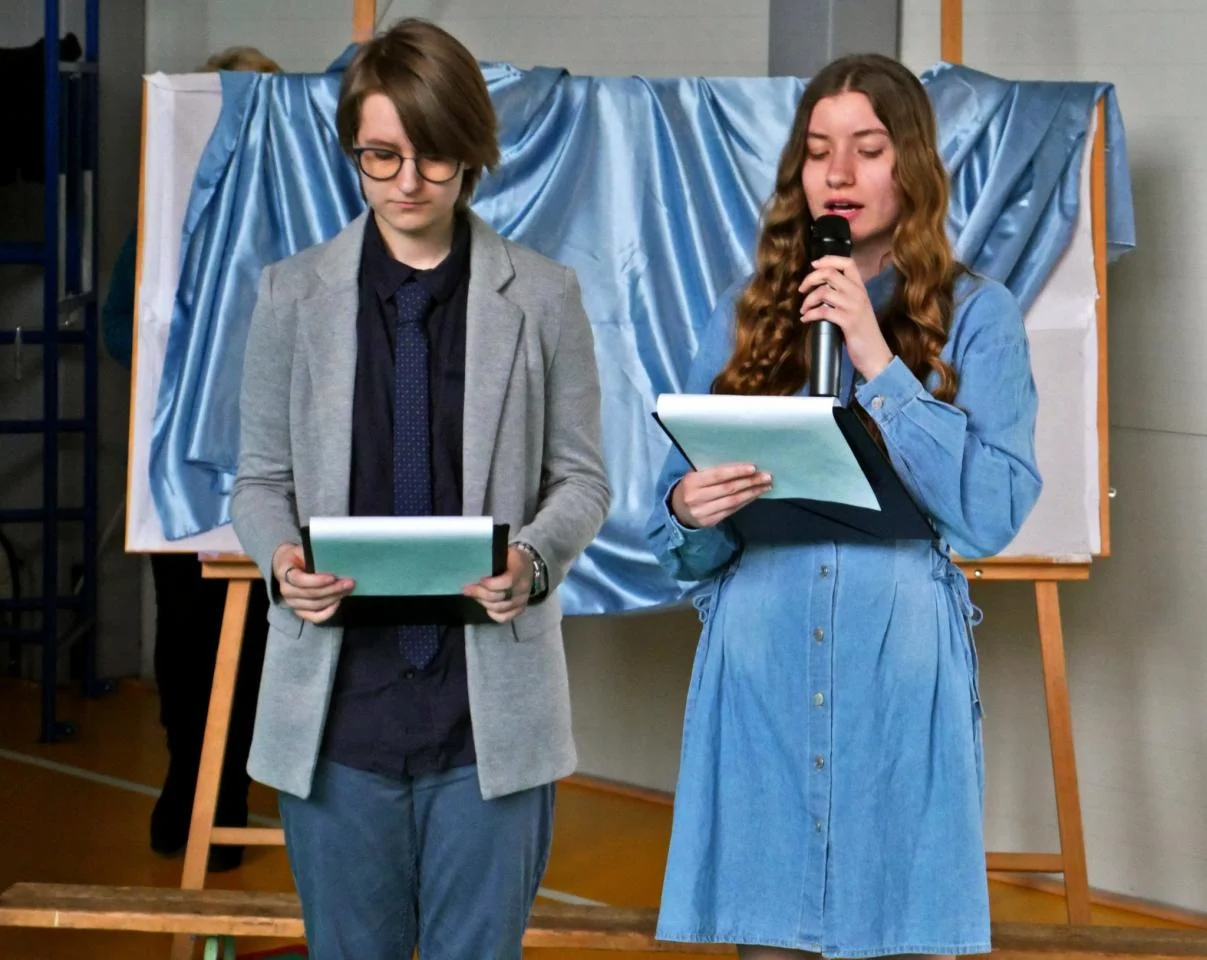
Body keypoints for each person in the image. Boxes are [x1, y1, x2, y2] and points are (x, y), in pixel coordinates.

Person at [646, 54, 1042, 959]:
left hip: (893, 672)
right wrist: (689, 507)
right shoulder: (746, 311)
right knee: (767, 937)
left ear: (911, 163)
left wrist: (877, 362)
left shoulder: (979, 315)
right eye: (819, 150)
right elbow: (675, 543)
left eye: (867, 148)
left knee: (899, 929)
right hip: (761, 665)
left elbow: (989, 512)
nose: (839, 172)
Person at [230, 18, 610, 959]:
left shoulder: (544, 297)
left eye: (433, 155)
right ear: (353, 153)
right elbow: (259, 481)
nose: (407, 182)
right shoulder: (288, 297)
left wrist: (532, 561)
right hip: (336, 719)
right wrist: (280, 560)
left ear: (472, 154)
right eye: (381, 155)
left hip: (488, 724)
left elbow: (581, 480)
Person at [101, 46, 281, 871]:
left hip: (260, 467)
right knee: (189, 637)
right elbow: (118, 327)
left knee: (252, 636)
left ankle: (219, 792)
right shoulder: (164, 219)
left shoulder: (300, 216)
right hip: (183, 469)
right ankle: (192, 783)